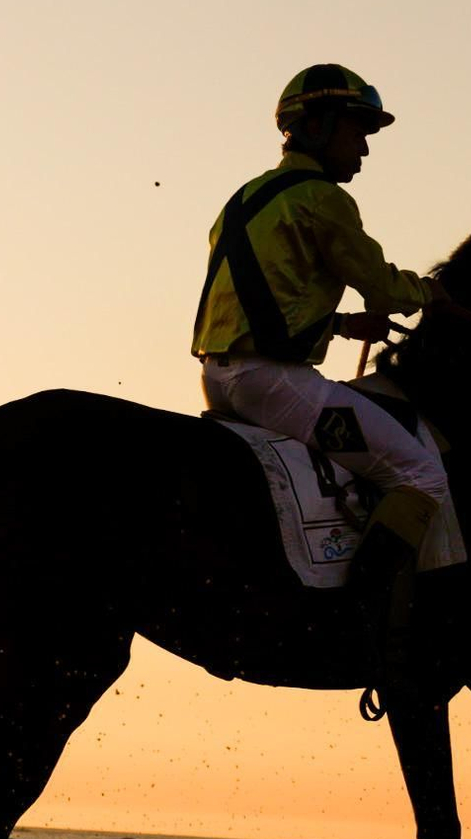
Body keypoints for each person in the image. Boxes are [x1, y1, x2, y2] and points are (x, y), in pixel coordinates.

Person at [192, 63, 452, 694]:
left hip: (222, 379)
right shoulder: (326, 199)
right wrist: (438, 295)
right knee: (421, 472)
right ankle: (371, 620)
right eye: (357, 131)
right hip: (273, 382)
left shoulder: (244, 197)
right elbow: (385, 284)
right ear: (316, 126)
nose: (364, 146)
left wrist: (335, 326)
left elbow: (260, 300)